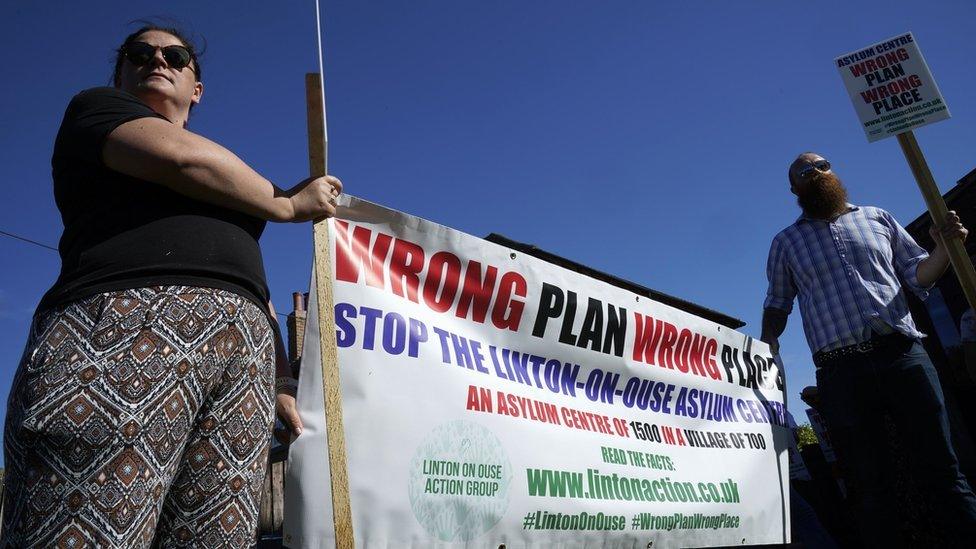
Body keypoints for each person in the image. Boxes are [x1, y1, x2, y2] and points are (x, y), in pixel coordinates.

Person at [1, 23, 341, 548]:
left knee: (216, 538)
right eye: (140, 53)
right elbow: (181, 156)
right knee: (91, 526)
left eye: (175, 55)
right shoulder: (97, 112)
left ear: (196, 87)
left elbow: (258, 292)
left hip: (241, 362)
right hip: (121, 335)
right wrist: (289, 204)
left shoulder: (233, 182)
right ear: (119, 76)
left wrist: (279, 381)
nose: (157, 60)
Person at [760, 152, 976, 548]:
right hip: (841, 373)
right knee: (869, 483)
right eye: (805, 172)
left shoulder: (877, 218)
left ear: (834, 172)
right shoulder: (786, 243)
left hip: (903, 356)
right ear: (795, 190)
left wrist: (945, 249)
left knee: (944, 470)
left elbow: (917, 273)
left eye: (822, 165)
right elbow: (777, 303)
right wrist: (764, 347)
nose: (816, 173)